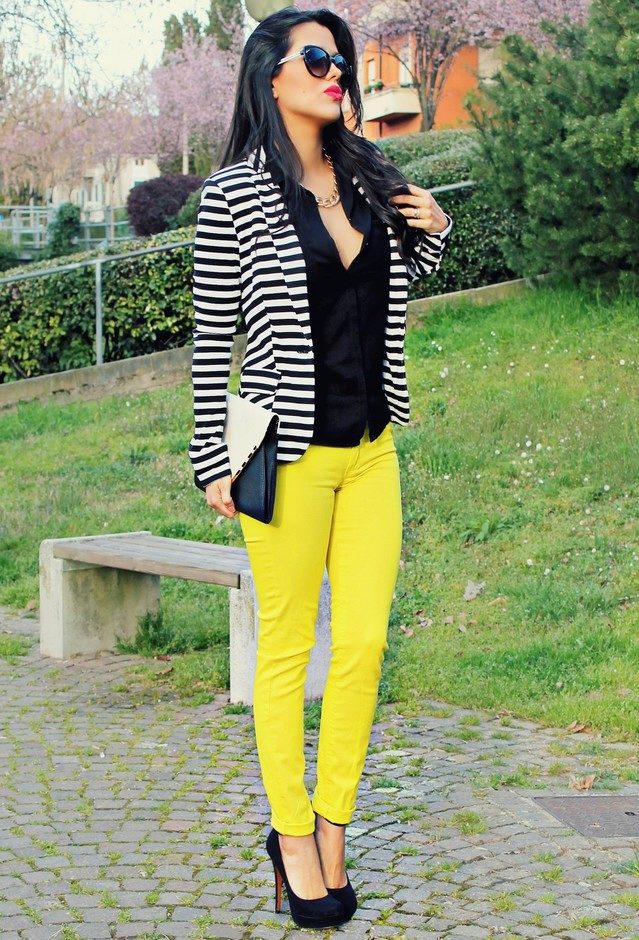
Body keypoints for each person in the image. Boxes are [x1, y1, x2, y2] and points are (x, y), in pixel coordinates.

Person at [188, 5, 453, 929]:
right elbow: (212, 341)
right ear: (271, 75)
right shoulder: (233, 196)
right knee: (287, 650)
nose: (336, 71)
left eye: (340, 59)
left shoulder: (369, 175)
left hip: (371, 450)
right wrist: (210, 459)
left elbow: (396, 282)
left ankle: (333, 822)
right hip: (288, 456)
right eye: (316, 58)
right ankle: (292, 837)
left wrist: (433, 225)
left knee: (366, 643)